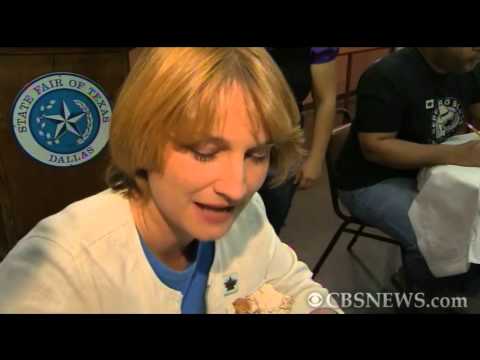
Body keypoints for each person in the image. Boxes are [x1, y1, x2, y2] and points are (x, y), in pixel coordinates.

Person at [0, 48, 341, 314]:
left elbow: (294, 285)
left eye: (256, 154)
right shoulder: (57, 270)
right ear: (143, 138)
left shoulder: (249, 211)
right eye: (205, 152)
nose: (237, 188)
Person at [336, 47, 480, 296]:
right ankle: (424, 295)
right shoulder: (387, 75)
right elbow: (375, 147)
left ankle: (463, 285)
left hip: (430, 169)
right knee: (438, 234)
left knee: (470, 223)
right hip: (371, 180)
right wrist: (455, 155)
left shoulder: (468, 68)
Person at [258, 47, 338, 234]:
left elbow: (326, 100)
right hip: (228, 135)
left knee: (269, 225)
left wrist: (316, 159)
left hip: (284, 144)